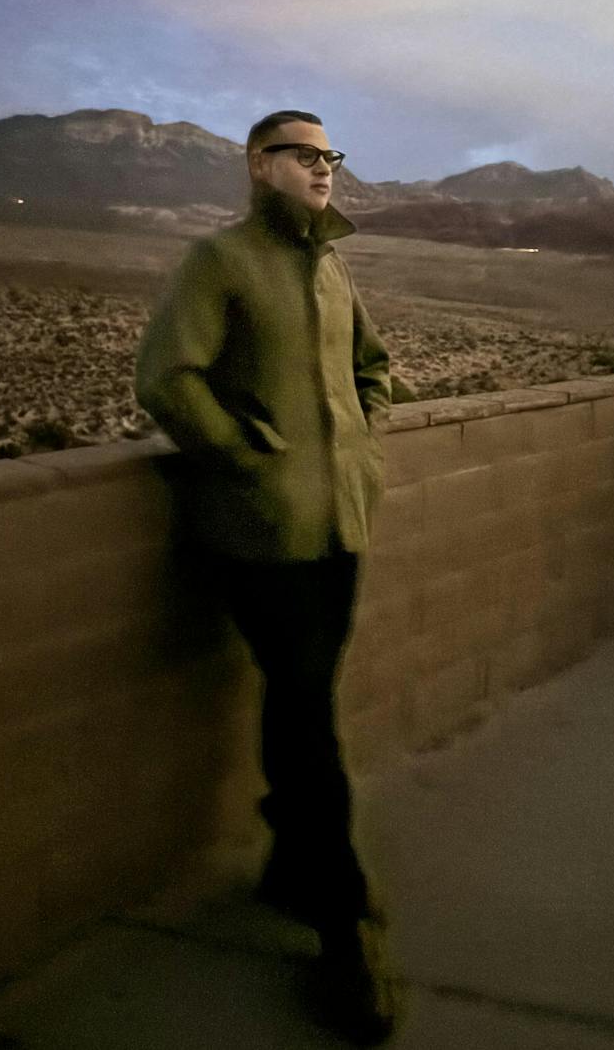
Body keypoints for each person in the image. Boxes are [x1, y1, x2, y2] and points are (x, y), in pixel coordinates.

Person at [134, 110, 399, 1043]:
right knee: (307, 714)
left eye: (332, 155)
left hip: (341, 526)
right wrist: (244, 456)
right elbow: (168, 376)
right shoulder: (219, 261)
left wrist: (361, 441)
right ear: (259, 164)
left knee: (303, 701)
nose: (324, 168)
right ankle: (343, 923)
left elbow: (373, 365)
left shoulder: (332, 267)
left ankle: (291, 864)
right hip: (261, 533)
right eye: (304, 154)